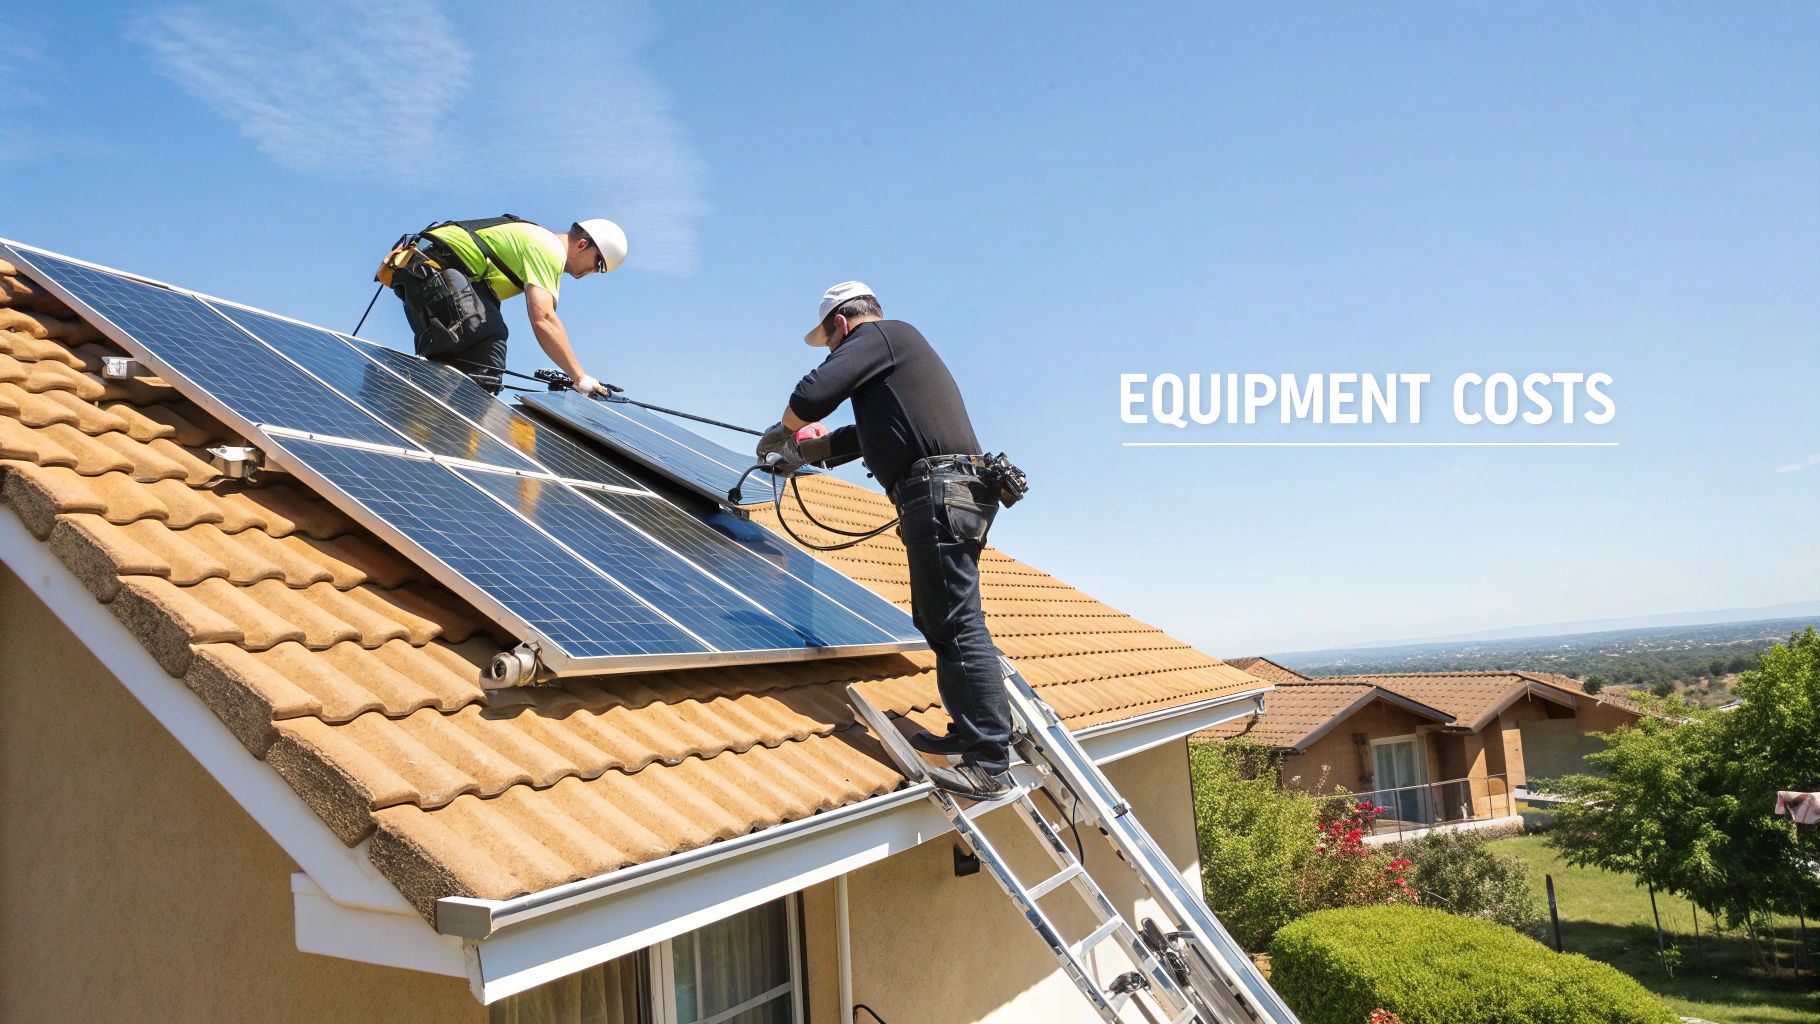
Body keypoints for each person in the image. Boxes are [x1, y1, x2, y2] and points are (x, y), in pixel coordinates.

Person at [758, 281, 1014, 799]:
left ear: (842, 324)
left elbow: (810, 396)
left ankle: (990, 761)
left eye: (831, 343)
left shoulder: (879, 335)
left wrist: (784, 431)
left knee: (955, 622)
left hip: (939, 491)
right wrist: (805, 454)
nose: (833, 353)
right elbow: (868, 435)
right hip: (950, 491)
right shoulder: (895, 353)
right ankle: (972, 731)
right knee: (939, 618)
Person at [385, 215, 624, 395]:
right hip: (435, 272)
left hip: (423, 275)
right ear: (582, 244)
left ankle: (422, 416)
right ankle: (450, 431)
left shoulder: (537, 240)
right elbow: (544, 318)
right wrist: (579, 377)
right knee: (486, 351)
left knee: (459, 365)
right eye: (599, 263)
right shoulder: (549, 248)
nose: (594, 271)